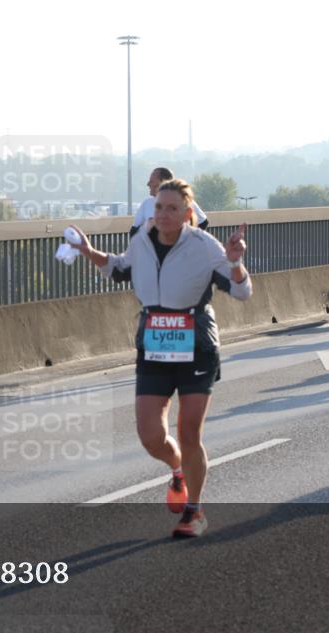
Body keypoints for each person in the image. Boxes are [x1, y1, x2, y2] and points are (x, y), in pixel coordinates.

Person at [69, 179, 252, 538]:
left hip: (196, 344)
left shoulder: (203, 245)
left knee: (188, 431)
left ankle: (194, 512)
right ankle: (177, 468)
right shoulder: (142, 240)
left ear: (186, 213)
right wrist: (89, 251)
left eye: (172, 208)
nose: (164, 214)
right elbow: (120, 268)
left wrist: (235, 263)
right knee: (150, 435)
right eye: (158, 207)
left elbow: (242, 291)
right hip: (154, 345)